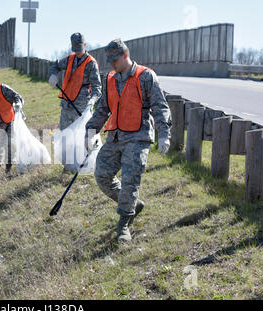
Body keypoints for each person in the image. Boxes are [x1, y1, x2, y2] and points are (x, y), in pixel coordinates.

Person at [85, 38, 172, 243]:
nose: (112, 64)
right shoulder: (109, 79)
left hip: (138, 136)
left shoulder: (146, 76)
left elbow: (160, 106)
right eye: (110, 61)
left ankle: (124, 222)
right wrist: (90, 131)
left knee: (130, 179)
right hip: (115, 135)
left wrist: (164, 133)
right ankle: (132, 203)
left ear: (126, 55)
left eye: (115, 60)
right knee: (102, 175)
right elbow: (103, 109)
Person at [48, 32, 102, 172]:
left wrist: (92, 102)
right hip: (67, 105)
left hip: (81, 107)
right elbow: (55, 65)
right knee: (65, 135)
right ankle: (67, 166)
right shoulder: (70, 59)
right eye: (75, 49)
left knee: (79, 137)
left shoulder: (91, 64)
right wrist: (53, 74)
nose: (77, 52)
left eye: (80, 48)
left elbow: (97, 88)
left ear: (85, 45)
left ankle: (82, 165)